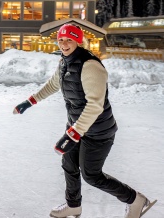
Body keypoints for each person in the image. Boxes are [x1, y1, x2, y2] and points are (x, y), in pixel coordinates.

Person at [13, 23, 154, 218]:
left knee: (92, 175)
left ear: (78, 40)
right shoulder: (64, 62)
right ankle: (73, 206)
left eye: (69, 39)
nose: (63, 44)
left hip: (98, 131)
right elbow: (53, 84)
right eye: (61, 40)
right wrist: (29, 101)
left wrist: (73, 134)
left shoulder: (90, 65)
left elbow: (95, 105)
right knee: (69, 164)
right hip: (76, 126)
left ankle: (136, 200)